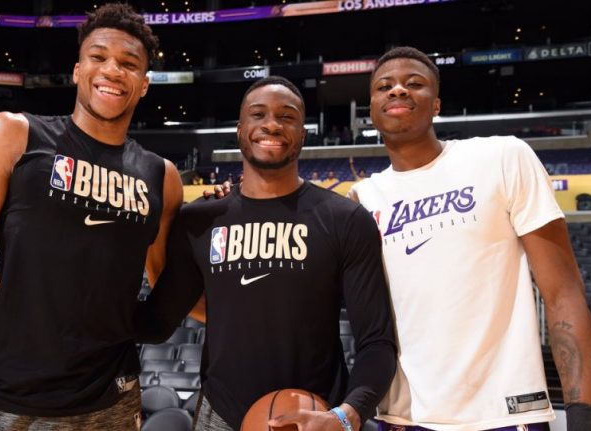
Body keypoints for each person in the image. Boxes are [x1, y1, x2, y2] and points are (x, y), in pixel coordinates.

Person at [0, 4, 183, 430]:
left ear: (144, 84)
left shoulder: (162, 176)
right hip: (3, 396)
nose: (112, 70)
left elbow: (169, 287)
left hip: (111, 401)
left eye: (128, 64)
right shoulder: (12, 135)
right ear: (77, 71)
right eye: (98, 57)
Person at [347, 46, 591, 431]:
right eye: (384, 86)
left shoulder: (503, 157)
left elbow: (562, 292)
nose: (397, 90)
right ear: (372, 109)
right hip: (404, 418)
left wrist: (583, 415)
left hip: (505, 414)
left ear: (436, 104)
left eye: (414, 83)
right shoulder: (362, 198)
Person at [135, 76, 397, 431]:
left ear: (303, 134)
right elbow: (156, 323)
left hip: (317, 413)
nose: (271, 124)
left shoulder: (346, 220)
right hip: (220, 415)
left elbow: (377, 342)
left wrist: (346, 416)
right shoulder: (199, 221)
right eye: (258, 114)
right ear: (240, 130)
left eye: (286, 116)